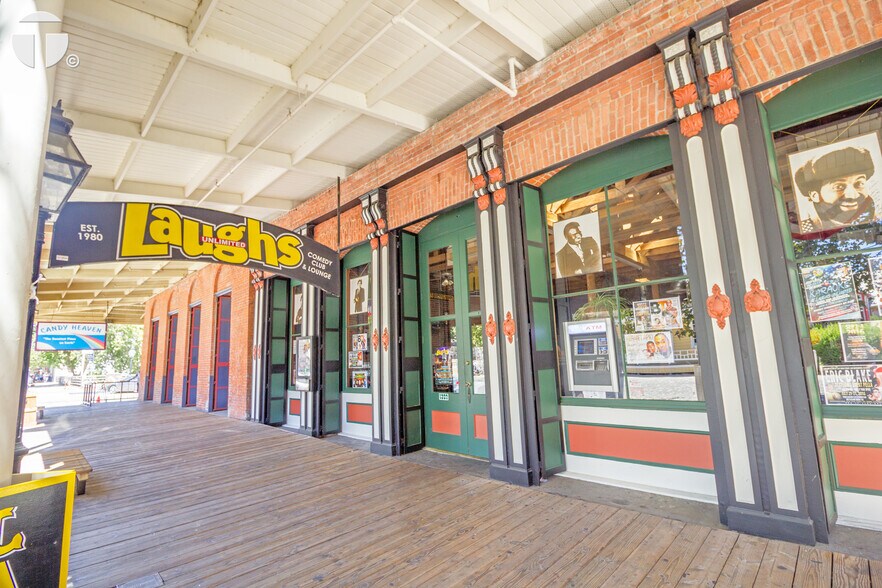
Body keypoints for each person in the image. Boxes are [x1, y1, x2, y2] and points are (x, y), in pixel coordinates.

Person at [794, 146, 876, 233]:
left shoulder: (874, 217)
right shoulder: (808, 229)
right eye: (839, 187)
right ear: (815, 195)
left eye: (859, 184)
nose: (853, 195)